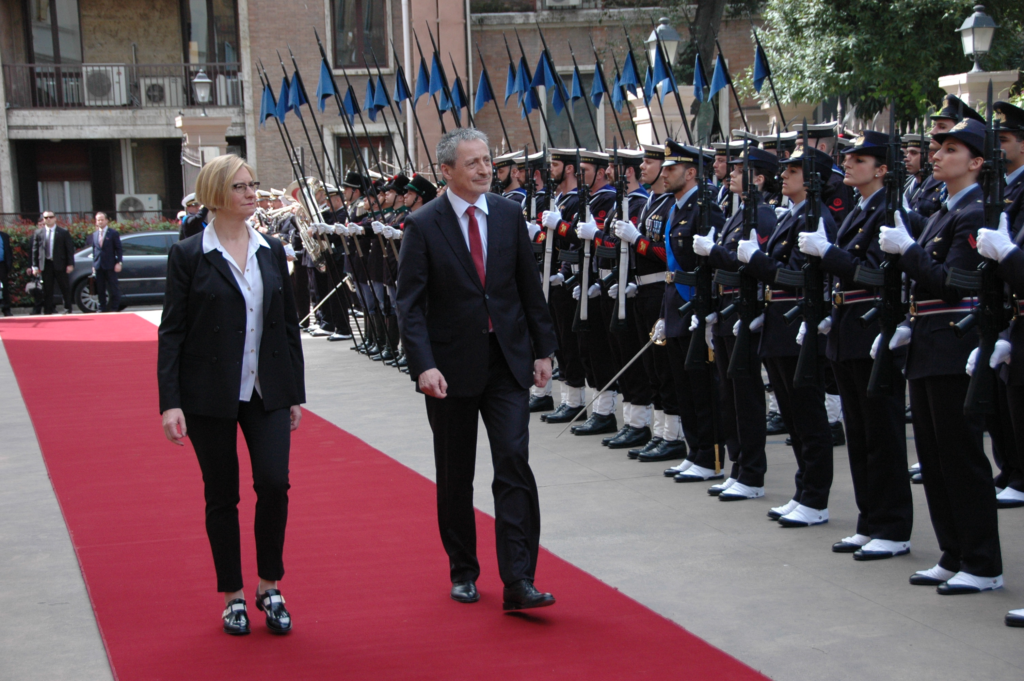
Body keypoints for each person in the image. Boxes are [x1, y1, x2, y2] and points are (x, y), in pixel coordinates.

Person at [397, 128, 558, 611]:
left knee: (512, 461)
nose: (486, 169)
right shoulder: (424, 225)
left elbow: (529, 288)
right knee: (456, 472)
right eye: (473, 163)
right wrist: (423, 365)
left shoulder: (509, 215)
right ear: (446, 171)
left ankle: (519, 579)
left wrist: (543, 350)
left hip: (506, 362)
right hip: (449, 370)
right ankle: (464, 568)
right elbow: (409, 305)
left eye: (487, 161)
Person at [157, 154, 305, 635]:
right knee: (221, 496)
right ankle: (233, 596)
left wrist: (294, 393)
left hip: (267, 392)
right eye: (241, 187)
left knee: (274, 485)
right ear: (217, 194)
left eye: (253, 185)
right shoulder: (188, 255)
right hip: (209, 395)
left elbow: (286, 328)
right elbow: (172, 332)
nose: (252, 193)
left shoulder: (270, 249)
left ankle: (269, 585)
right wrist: (170, 401)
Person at [879, 118, 1002, 595]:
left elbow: (952, 282)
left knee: (960, 457)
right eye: (937, 148)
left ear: (975, 162)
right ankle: (954, 552)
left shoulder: (974, 213)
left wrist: (908, 251)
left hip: (953, 344)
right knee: (932, 456)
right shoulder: (942, 210)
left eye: (950, 150)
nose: (936, 155)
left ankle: (983, 561)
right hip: (928, 343)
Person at [798, 131, 914, 557]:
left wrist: (828, 253)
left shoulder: (890, 209)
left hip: (871, 329)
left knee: (882, 434)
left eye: (859, 159)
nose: (847, 163)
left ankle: (893, 526)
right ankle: (870, 520)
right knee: (861, 433)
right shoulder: (861, 207)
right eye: (847, 157)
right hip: (847, 329)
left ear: (882, 169)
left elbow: (877, 275)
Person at [30, 211, 75, 315]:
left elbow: (69, 249)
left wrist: (70, 264)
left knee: (64, 287)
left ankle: (67, 309)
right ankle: (48, 310)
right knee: (47, 289)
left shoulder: (63, 232)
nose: (48, 219)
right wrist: (34, 266)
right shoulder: (39, 233)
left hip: (60, 264)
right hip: (46, 264)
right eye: (46, 218)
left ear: (55, 218)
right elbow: (35, 250)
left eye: (50, 217)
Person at [89, 211, 123, 312]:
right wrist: (93, 265)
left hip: (110, 265)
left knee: (113, 288)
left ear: (106, 220)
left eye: (102, 220)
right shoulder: (95, 234)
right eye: (98, 220)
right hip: (99, 265)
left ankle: (114, 308)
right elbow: (94, 250)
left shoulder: (113, 233)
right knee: (100, 288)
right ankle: (101, 308)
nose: (100, 222)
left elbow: (119, 249)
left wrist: (119, 262)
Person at [0, 227, 12, 316]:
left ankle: (6, 309)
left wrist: (9, 264)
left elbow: (8, 251)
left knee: (4, 287)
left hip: (2, 265)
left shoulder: (4, 236)